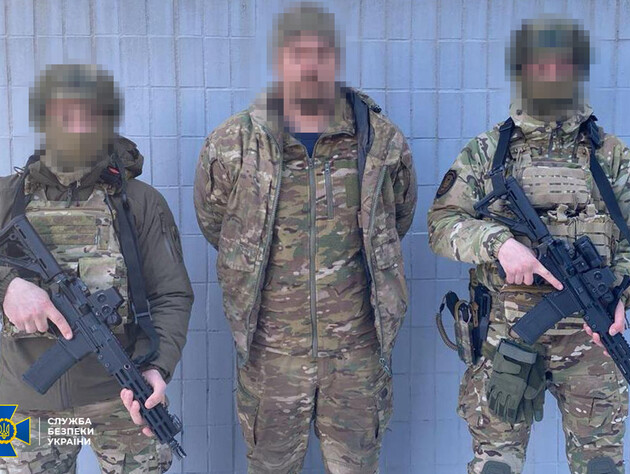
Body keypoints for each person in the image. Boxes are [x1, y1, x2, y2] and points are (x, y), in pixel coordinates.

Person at [193, 3, 417, 472]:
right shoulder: (234, 144)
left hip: (356, 352)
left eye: (321, 53)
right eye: (297, 53)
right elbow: (218, 225)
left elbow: (396, 220)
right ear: (279, 60)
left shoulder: (379, 141)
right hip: (271, 354)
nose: (310, 66)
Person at [428, 18, 629, 474]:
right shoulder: (488, 152)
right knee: (496, 467)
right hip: (507, 340)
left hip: (592, 345)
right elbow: (441, 224)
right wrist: (498, 243)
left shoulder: (611, 156)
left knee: (601, 467)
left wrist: (621, 295)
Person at [0, 64, 193, 474]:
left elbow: (170, 294)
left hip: (121, 400)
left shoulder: (140, 202)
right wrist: (7, 287)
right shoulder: (5, 197)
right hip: (23, 405)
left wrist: (157, 367)